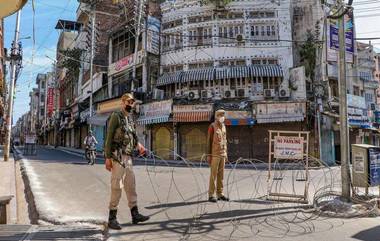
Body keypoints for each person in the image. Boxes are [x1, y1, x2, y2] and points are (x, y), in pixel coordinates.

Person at [104, 93, 149, 230]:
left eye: (132, 103)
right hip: (117, 157)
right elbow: (109, 137)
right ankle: (112, 218)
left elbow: (133, 137)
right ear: (122, 102)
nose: (130, 105)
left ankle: (135, 214)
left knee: (131, 185)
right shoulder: (116, 116)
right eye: (128, 102)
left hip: (128, 157)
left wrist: (140, 146)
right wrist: (107, 157)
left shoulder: (129, 119)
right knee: (117, 186)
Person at [206, 109, 230, 203]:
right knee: (213, 175)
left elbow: (225, 141)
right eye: (220, 115)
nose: (222, 117)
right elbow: (209, 141)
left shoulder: (224, 126)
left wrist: (226, 154)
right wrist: (208, 155)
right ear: (216, 116)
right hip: (215, 154)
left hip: (222, 154)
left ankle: (220, 194)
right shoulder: (212, 126)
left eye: (223, 116)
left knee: (221, 175)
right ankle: (211, 195)